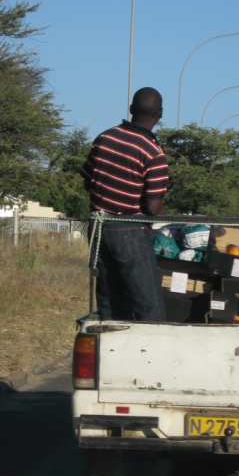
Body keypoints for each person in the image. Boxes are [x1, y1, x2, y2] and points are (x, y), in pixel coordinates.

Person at [80, 87, 169, 321]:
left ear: (131, 110)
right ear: (159, 114)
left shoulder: (104, 138)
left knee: (110, 302)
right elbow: (152, 207)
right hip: (129, 230)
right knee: (149, 306)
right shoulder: (153, 153)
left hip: (98, 228)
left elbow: (88, 181)